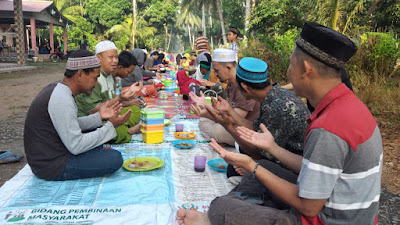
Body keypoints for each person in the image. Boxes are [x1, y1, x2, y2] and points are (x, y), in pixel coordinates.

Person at [177, 21, 382, 225]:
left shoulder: (329, 128)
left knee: (221, 208)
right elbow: (310, 166)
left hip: (325, 218)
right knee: (263, 166)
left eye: (291, 65)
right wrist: (272, 149)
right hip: (330, 200)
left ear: (306, 69)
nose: (288, 73)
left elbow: (309, 207)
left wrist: (251, 165)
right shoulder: (345, 105)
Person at [24, 50, 132, 181]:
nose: (96, 83)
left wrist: (99, 116)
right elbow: (76, 145)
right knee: (114, 158)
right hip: (51, 166)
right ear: (80, 74)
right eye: (95, 78)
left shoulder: (60, 89)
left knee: (95, 134)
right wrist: (111, 126)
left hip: (58, 149)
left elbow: (72, 123)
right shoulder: (62, 99)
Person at [203, 57, 310, 184]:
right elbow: (254, 128)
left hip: (297, 169)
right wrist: (229, 111)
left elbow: (259, 154)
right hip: (280, 154)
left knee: (234, 171)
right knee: (237, 160)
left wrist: (228, 126)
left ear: (245, 87)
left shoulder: (275, 106)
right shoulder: (274, 94)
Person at [75, 41, 143, 144]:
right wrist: (120, 98)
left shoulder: (109, 76)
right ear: (99, 58)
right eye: (111, 57)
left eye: (116, 57)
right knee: (115, 129)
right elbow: (93, 111)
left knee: (135, 110)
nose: (115, 61)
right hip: (93, 119)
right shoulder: (92, 78)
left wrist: (126, 100)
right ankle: (127, 131)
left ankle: (122, 126)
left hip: (108, 113)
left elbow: (111, 101)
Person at [191, 49, 260, 146]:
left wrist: (207, 113)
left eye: (216, 70)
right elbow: (227, 111)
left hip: (248, 130)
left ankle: (220, 139)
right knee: (203, 121)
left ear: (228, 67)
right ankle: (221, 140)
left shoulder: (243, 85)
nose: (214, 73)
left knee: (217, 130)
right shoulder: (230, 83)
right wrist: (206, 105)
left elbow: (234, 120)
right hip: (234, 122)